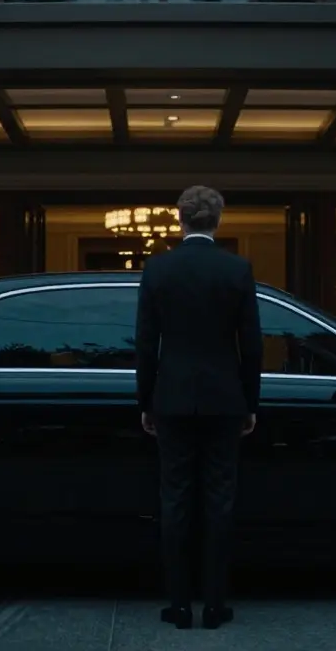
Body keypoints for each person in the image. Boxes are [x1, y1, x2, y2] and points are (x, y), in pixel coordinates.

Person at [134, 185, 264, 630]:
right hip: (225, 399)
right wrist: (250, 401)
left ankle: (179, 606)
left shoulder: (158, 269)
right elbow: (251, 344)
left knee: (175, 502)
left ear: (180, 219)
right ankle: (214, 605)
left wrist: (146, 400)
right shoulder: (237, 270)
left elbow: (147, 344)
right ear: (218, 220)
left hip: (170, 398)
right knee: (219, 502)